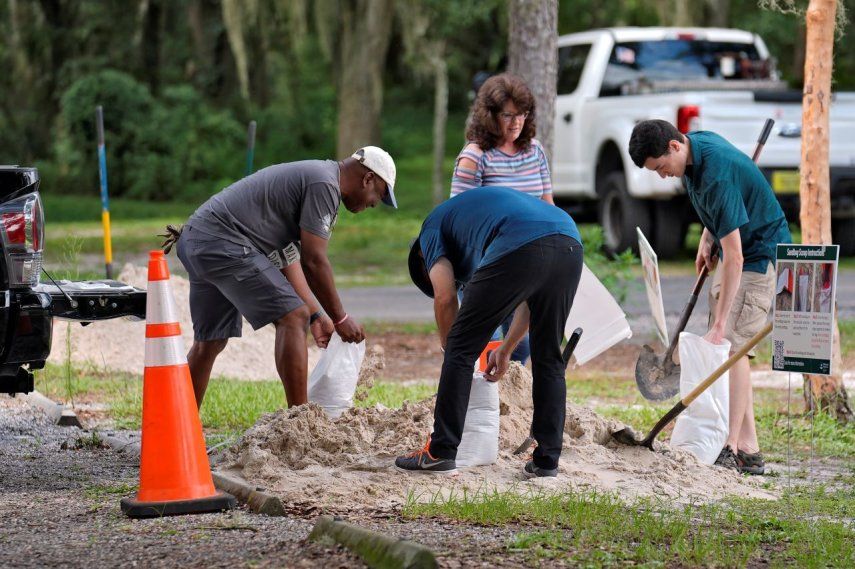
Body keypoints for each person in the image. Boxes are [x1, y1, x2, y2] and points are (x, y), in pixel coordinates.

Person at [172, 146, 397, 409]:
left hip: (199, 238)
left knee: (210, 342)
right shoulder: (325, 185)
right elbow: (314, 260)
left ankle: (176, 429)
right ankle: (299, 421)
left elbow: (287, 258)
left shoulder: (316, 176)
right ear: (367, 178)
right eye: (378, 195)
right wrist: (341, 318)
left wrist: (317, 315)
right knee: (293, 316)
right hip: (223, 242)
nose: (373, 203)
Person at [629, 120, 791, 475]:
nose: (662, 176)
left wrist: (719, 323)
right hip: (736, 248)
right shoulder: (693, 151)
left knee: (731, 348)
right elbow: (719, 207)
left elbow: (735, 257)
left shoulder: (714, 172)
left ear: (674, 146)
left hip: (758, 254)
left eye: (660, 168)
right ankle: (750, 448)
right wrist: (706, 236)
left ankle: (730, 447)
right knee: (728, 349)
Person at [395, 187, 583, 477]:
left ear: (422, 257)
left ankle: (439, 453)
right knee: (548, 356)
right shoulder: (472, 224)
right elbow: (530, 303)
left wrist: (454, 349)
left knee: (460, 346)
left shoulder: (430, 231)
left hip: (522, 241)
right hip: (569, 240)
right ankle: (547, 461)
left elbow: (445, 297)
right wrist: (506, 348)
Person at [451, 73, 555, 365]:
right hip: (486, 268)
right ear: (489, 115)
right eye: (508, 115)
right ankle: (482, 406)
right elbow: (458, 220)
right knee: (488, 343)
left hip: (530, 265)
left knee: (522, 347)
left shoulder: (535, 151)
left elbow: (548, 206)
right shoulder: (475, 157)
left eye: (521, 115)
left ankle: (512, 407)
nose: (515, 123)